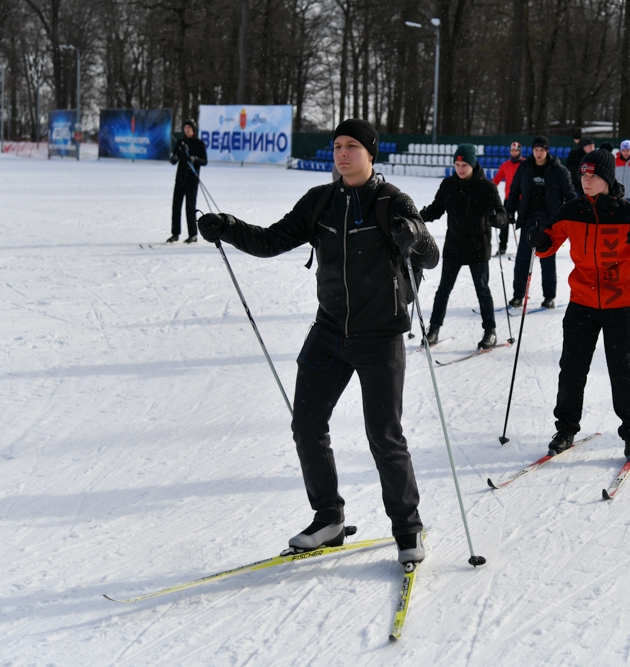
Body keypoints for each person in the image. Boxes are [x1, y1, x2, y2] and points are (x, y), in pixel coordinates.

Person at [195, 119, 439, 565]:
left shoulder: (391, 201)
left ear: (371, 153)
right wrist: (228, 227)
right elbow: (270, 241)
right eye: (337, 146)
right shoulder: (321, 201)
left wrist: (416, 237)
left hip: (380, 337)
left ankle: (408, 528)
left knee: (384, 437)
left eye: (352, 147)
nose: (342, 154)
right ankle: (328, 517)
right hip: (329, 333)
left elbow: (430, 257)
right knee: (306, 424)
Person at [527, 148, 630, 460]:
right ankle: (566, 428)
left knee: (621, 369)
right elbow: (548, 244)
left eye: (593, 175)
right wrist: (539, 240)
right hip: (582, 301)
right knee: (572, 366)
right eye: (583, 174)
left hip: (620, 303)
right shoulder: (573, 211)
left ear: (607, 178)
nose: (586, 180)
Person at [421, 144, 507, 349]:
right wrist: (417, 217)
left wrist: (496, 218)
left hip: (478, 247)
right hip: (454, 246)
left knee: (482, 290)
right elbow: (435, 209)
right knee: (443, 290)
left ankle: (490, 331)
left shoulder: (487, 187)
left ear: (473, 164)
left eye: (464, 165)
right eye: (457, 164)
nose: (460, 169)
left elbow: (502, 215)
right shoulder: (448, 185)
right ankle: (434, 329)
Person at [505, 135, 576, 309]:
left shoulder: (559, 170)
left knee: (547, 259)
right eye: (536, 150)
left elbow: (570, 195)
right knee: (522, 258)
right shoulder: (525, 167)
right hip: (529, 218)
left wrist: (570, 216)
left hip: (550, 220)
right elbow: (514, 191)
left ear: (547, 151)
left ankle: (549, 296)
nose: (538, 153)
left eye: (542, 150)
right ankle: (518, 295)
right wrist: (509, 210)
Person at [168, 119, 208, 243]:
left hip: (192, 180)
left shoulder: (199, 143)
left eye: (189, 128)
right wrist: (173, 158)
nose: (187, 130)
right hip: (180, 179)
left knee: (190, 207)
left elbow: (204, 161)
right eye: (185, 128)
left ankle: (193, 234)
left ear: (193, 129)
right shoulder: (180, 143)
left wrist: (194, 158)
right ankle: (175, 234)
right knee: (176, 206)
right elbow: (174, 160)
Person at [492, 141, 525, 255]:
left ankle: (526, 248)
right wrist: (488, 190)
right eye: (512, 150)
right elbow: (497, 179)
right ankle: (502, 247)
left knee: (525, 223)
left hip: (523, 199)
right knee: (504, 222)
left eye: (516, 150)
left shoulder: (526, 164)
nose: (514, 152)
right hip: (509, 198)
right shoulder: (505, 165)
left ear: (520, 151)